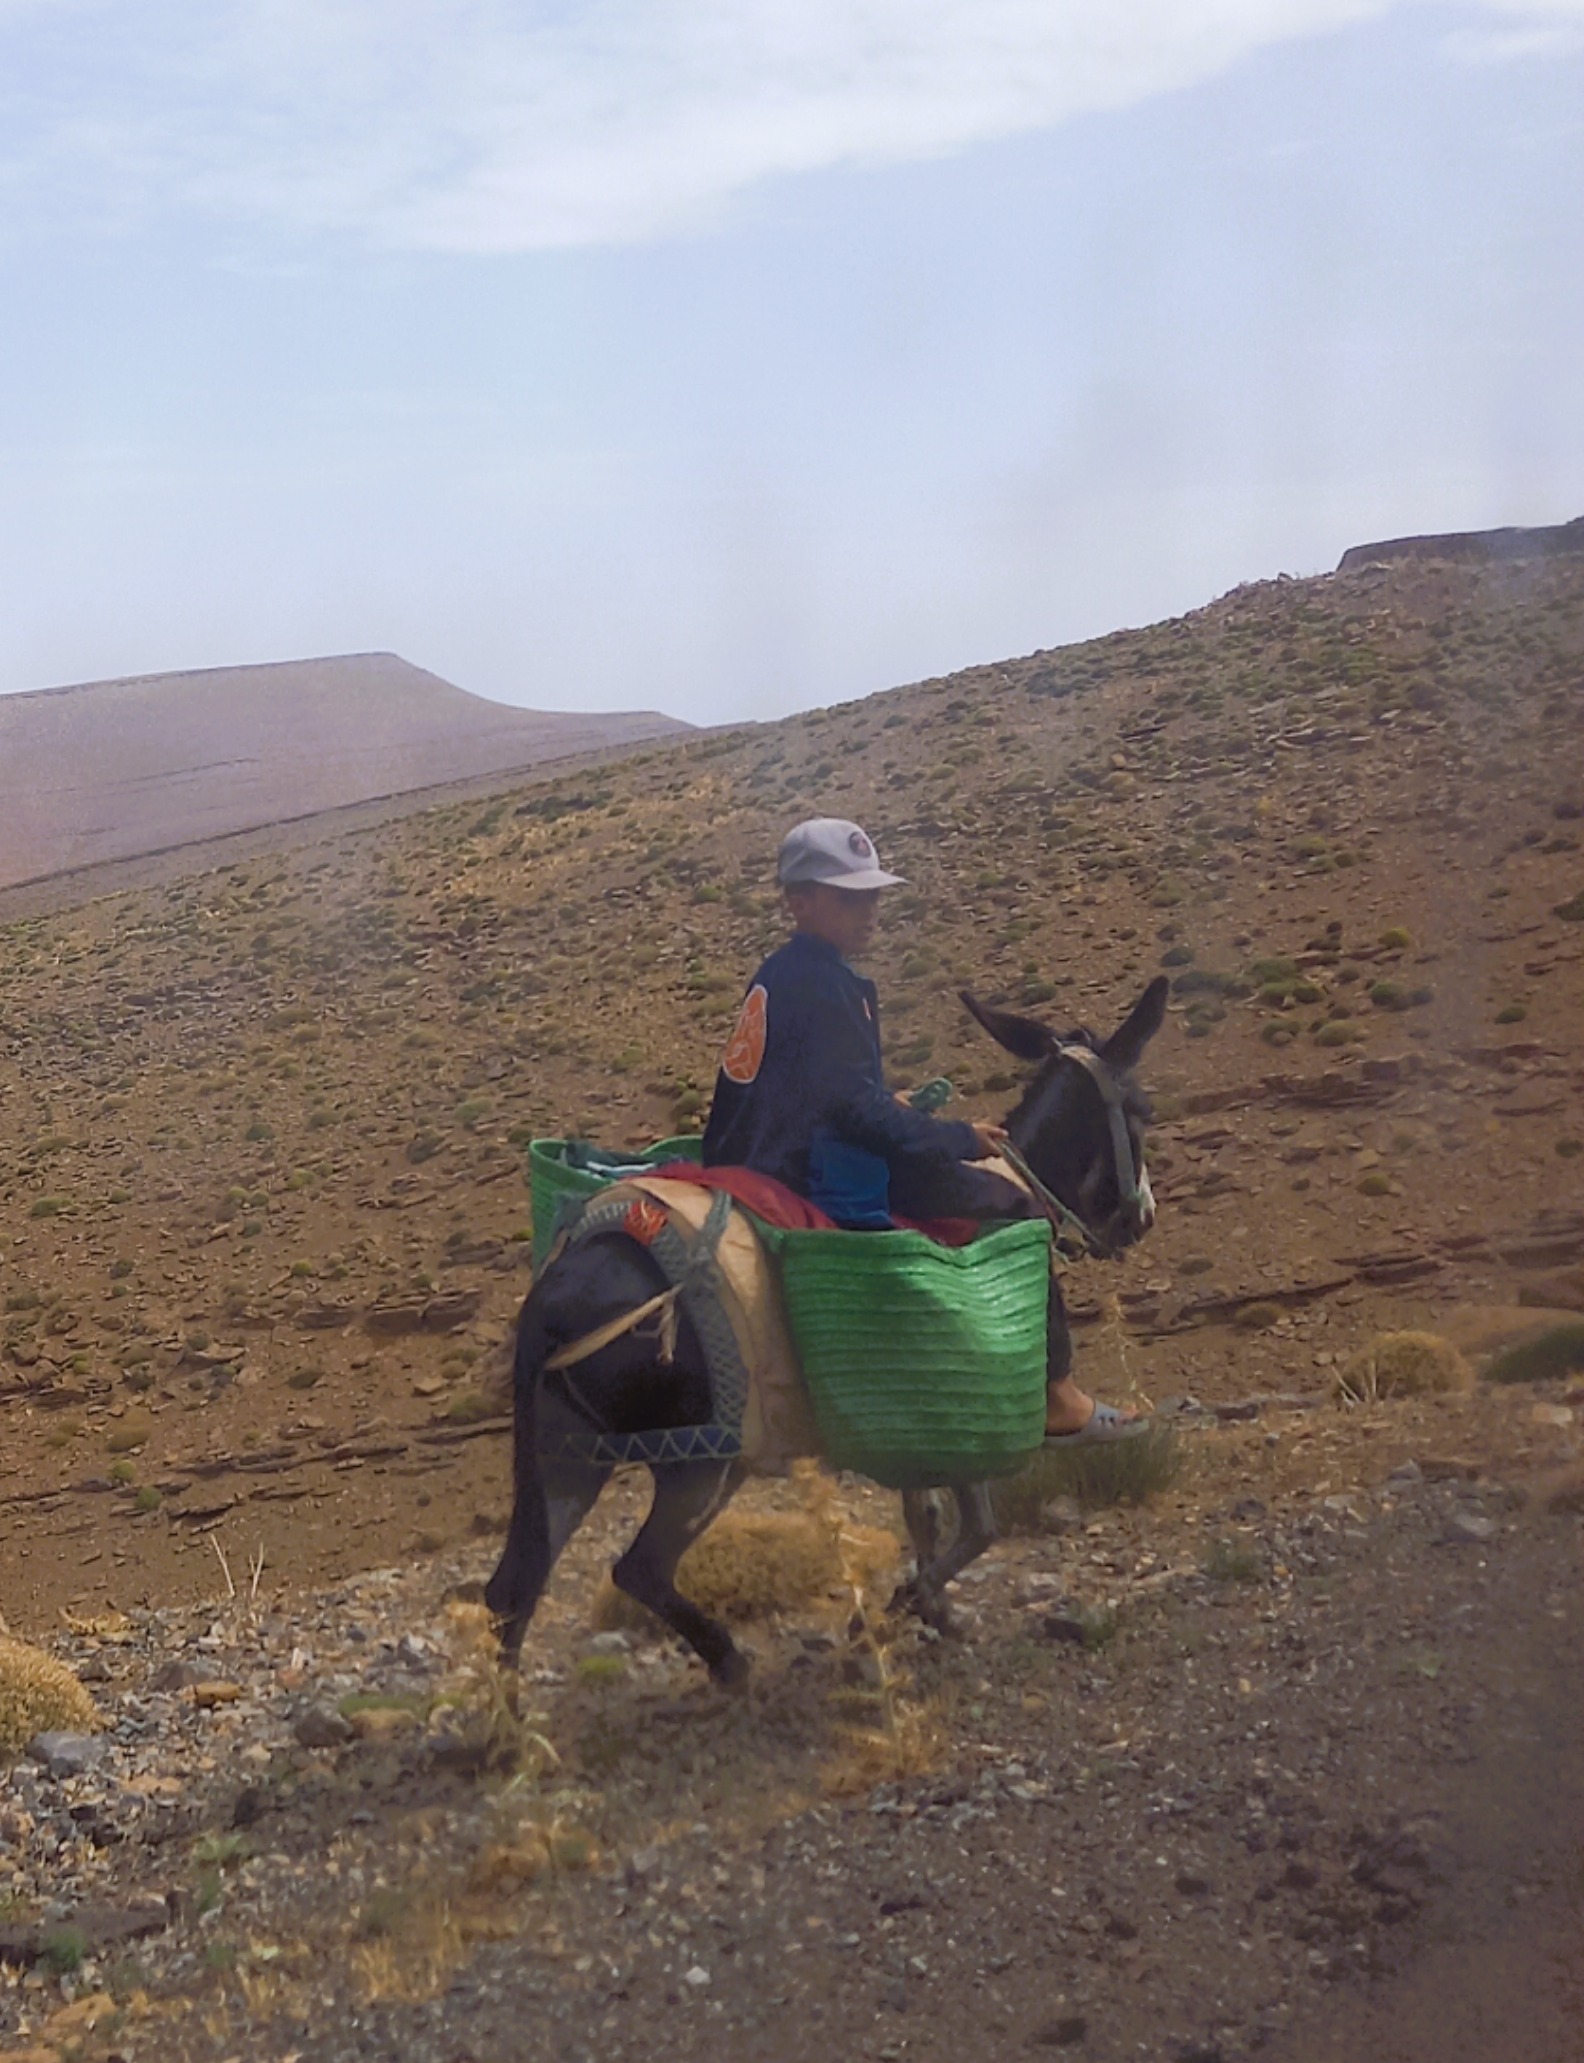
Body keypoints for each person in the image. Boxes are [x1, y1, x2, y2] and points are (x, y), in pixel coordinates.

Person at [703, 816, 1137, 1442]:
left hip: (756, 1150)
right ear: (799, 902)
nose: (869, 911)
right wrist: (959, 1138)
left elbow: (813, 1086)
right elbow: (855, 1113)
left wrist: (888, 1100)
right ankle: (1058, 1398)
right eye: (850, 898)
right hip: (804, 1166)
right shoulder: (825, 985)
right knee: (1017, 1207)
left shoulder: (783, 972)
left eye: (872, 896)